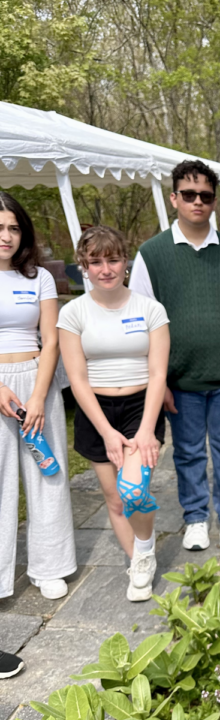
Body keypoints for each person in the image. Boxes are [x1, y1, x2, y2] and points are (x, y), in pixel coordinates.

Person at [128, 159, 220, 552]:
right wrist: (158, 381)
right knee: (187, 453)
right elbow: (142, 322)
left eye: (205, 196)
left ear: (215, 202)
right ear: (174, 198)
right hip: (179, 379)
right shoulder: (151, 254)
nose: (197, 202)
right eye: (189, 194)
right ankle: (196, 518)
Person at [58, 226, 170, 601]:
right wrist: (105, 431)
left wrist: (146, 430)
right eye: (95, 262)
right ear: (83, 266)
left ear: (126, 261)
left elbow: (158, 373)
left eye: (113, 259)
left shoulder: (150, 309)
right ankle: (137, 561)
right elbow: (76, 378)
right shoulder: (72, 313)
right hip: (96, 411)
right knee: (114, 497)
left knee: (135, 491)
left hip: (141, 406)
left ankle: (145, 547)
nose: (105, 269)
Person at [0, 191, 76, 602]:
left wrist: (40, 396)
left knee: (48, 474)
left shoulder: (39, 277)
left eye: (13, 227)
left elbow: (51, 340)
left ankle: (50, 565)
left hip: (36, 379)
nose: (6, 236)